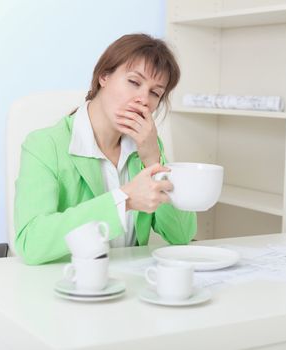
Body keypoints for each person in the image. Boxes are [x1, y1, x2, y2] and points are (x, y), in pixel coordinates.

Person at [14, 33, 197, 265]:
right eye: (134, 82)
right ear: (104, 76)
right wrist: (124, 200)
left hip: (130, 286)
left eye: (155, 93)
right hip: (70, 285)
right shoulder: (44, 145)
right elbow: (31, 243)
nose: (143, 99)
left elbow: (181, 236)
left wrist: (153, 160)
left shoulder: (149, 148)